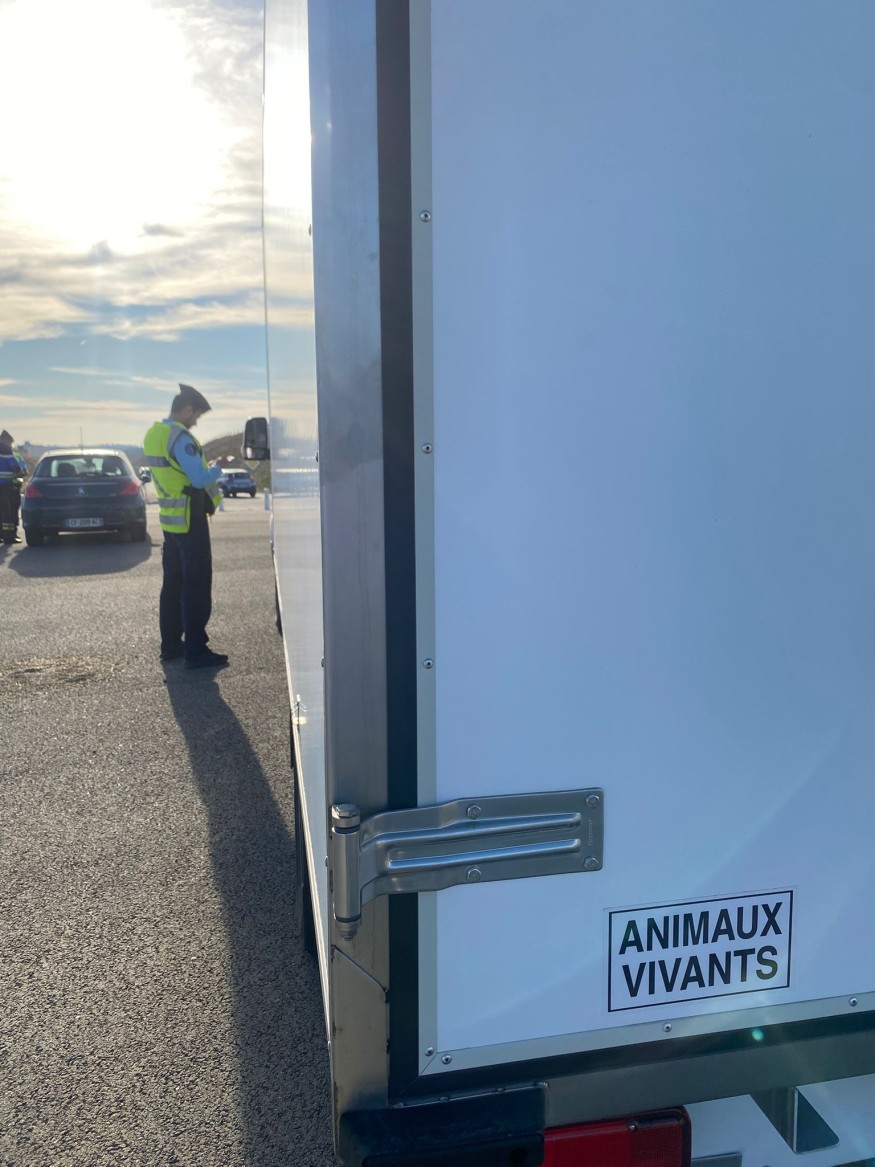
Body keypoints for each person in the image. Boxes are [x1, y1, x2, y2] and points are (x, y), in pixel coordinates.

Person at [143, 385, 228, 669]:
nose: (196, 422)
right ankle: (196, 649)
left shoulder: (154, 434)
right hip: (191, 519)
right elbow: (199, 479)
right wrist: (217, 467)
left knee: (172, 585)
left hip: (170, 521)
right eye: (197, 416)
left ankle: (171, 645)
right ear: (187, 409)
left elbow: (175, 473)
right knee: (196, 585)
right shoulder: (181, 438)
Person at [0, 429, 26, 545]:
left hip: (6, 487)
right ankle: (9, 536)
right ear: (5, 441)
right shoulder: (6, 452)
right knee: (8, 512)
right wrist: (19, 473)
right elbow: (17, 469)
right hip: (6, 487)